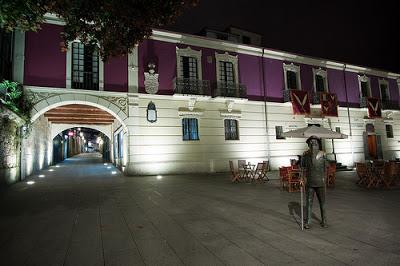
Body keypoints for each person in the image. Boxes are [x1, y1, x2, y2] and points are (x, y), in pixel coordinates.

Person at [301, 136, 328, 229]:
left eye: (315, 142)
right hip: (309, 182)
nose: (313, 144)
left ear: (318, 143)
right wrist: (302, 178)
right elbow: (302, 168)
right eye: (311, 142)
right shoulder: (305, 155)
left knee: (322, 202)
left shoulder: (323, 154)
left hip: (320, 181)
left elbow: (325, 168)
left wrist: (325, 179)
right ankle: (308, 220)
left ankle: (324, 220)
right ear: (308, 144)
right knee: (309, 202)